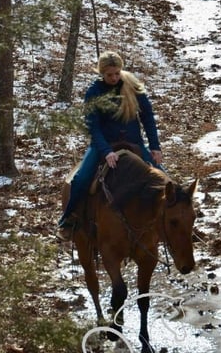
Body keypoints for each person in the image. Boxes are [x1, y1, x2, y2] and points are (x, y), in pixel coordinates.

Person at [57, 50, 163, 237]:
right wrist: (106, 151)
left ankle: (170, 219)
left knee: (162, 177)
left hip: (134, 143)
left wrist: (155, 146)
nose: (114, 78)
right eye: (109, 75)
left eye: (117, 73)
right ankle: (69, 220)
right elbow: (93, 127)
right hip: (104, 145)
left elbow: (148, 118)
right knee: (81, 179)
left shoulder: (133, 87)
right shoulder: (94, 92)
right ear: (102, 74)